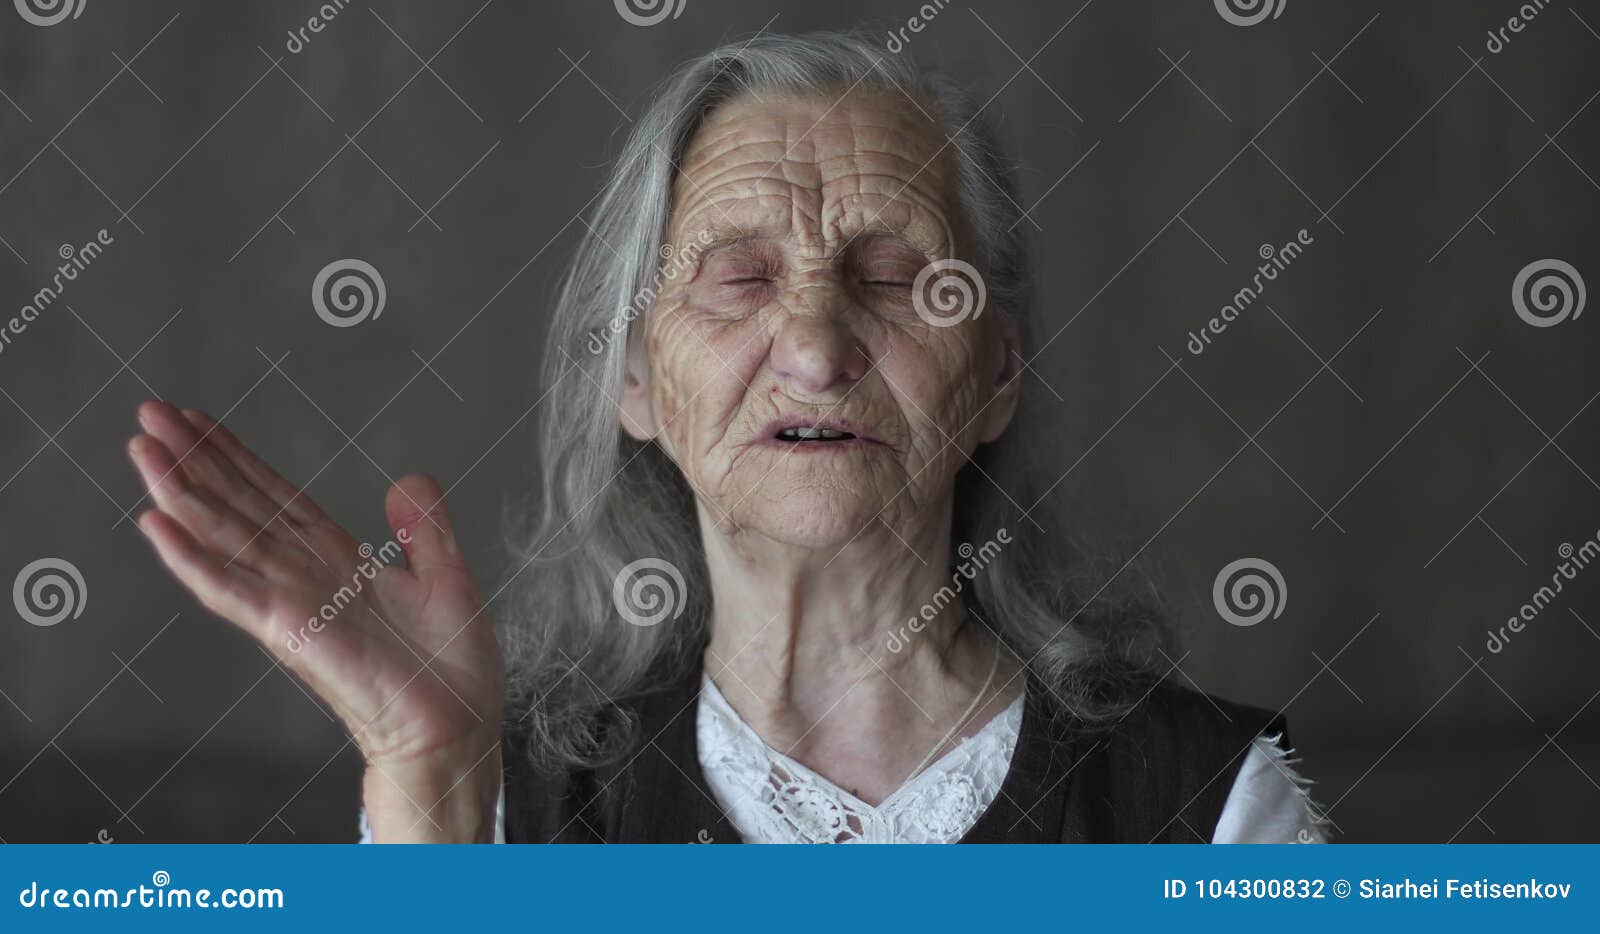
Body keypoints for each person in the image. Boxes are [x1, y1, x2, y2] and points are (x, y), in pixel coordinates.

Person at [126, 31, 1327, 844]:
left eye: (895, 273)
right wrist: (432, 778)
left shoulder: (1208, 810)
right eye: (739, 277)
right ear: (640, 378)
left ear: (997, 372)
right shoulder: (504, 803)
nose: (812, 344)